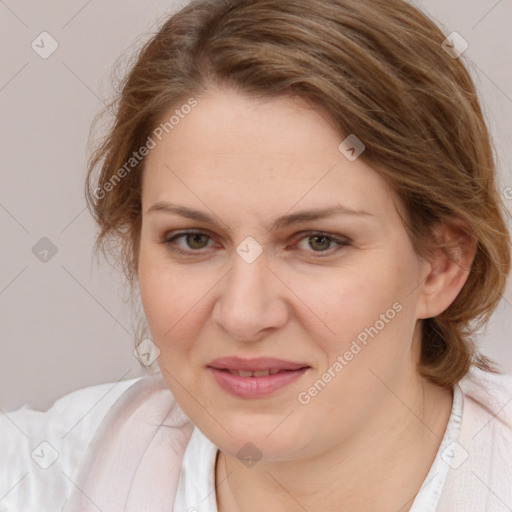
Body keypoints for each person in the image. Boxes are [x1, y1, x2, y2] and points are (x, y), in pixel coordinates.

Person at [2, 0, 511, 511]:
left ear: (441, 266)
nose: (244, 315)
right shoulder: (34, 480)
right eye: (193, 239)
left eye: (318, 242)